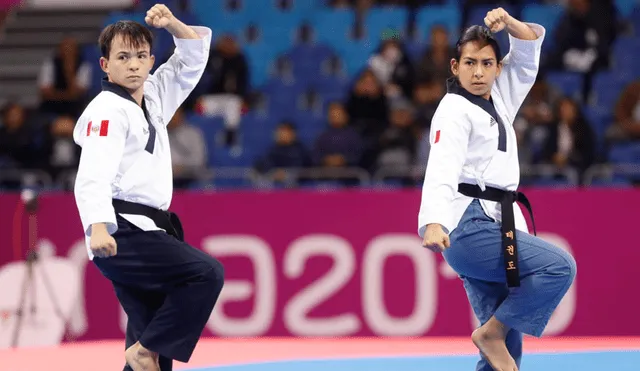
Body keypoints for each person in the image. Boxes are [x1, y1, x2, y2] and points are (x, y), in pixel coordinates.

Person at [418, 8, 576, 371]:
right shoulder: (453, 109)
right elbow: (442, 164)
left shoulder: (498, 97)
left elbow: (526, 54)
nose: (478, 72)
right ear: (455, 66)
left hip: (498, 221)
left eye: (486, 63)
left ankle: (493, 335)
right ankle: (491, 333)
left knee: (504, 354)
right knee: (559, 267)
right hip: (468, 224)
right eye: (470, 63)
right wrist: (434, 221)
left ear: (496, 68)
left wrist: (510, 25)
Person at [72, 5, 224, 371]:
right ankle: (144, 351)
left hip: (149, 228)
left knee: (152, 346)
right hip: (121, 230)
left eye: (141, 56)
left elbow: (190, 60)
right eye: (123, 57)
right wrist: (97, 227)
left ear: (151, 60)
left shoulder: (152, 95)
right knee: (206, 273)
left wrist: (172, 23)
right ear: (105, 65)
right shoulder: (107, 109)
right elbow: (93, 172)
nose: (135, 64)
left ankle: (143, 353)